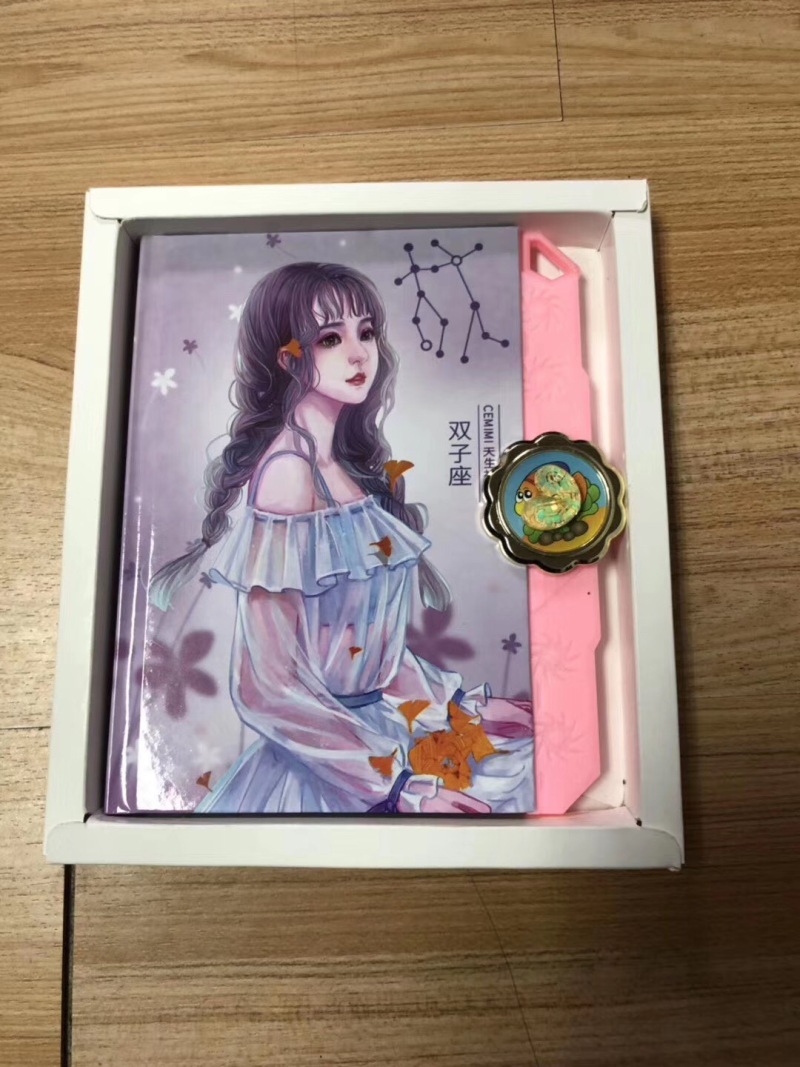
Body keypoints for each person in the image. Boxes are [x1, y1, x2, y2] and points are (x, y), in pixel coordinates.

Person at [150, 262, 532, 814]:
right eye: (330, 338)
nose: (358, 354)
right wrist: (398, 789)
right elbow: (267, 688)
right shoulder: (288, 476)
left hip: (381, 741)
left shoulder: (347, 472)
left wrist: (460, 711)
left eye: (366, 332)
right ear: (288, 359)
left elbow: (366, 655)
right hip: (328, 769)